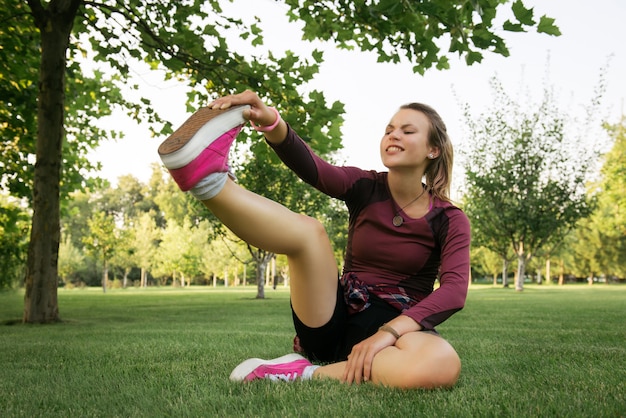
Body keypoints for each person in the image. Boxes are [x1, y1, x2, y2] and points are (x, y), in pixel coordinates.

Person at [158, 90, 471, 389]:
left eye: (407, 130)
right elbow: (315, 169)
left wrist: (388, 333)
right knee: (311, 232)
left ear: (433, 149)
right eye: (389, 129)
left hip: (395, 333)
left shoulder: (449, 219)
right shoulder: (365, 186)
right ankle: (207, 179)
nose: (393, 135)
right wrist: (270, 122)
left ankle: (305, 373)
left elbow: (455, 290)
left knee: (441, 363)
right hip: (332, 320)